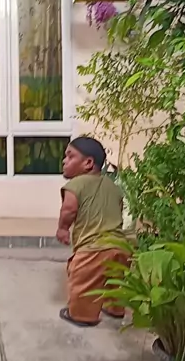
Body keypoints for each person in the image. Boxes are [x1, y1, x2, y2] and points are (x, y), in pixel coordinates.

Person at [56, 136, 130, 328]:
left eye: (70, 156)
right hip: (120, 246)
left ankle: (82, 316)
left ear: (88, 163)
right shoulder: (113, 187)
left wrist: (63, 228)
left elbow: (69, 209)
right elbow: (118, 209)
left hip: (92, 249)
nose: (64, 160)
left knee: (83, 282)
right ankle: (115, 309)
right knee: (116, 281)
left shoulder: (76, 184)